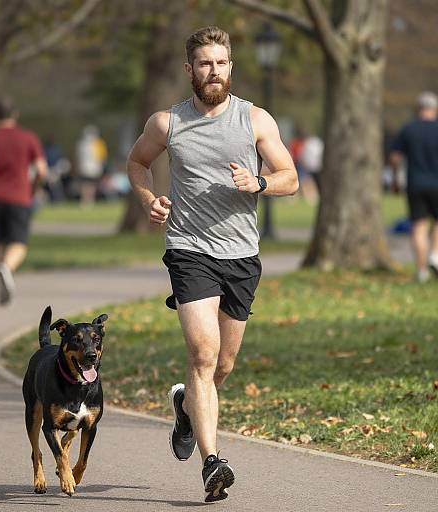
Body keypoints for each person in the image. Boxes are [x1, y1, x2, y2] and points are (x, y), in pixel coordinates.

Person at [126, 26, 298, 502]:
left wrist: (259, 183)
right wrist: (147, 201)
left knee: (223, 363)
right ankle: (211, 462)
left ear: (231, 67)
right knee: (202, 355)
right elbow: (137, 163)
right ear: (190, 70)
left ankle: (185, 407)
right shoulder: (167, 122)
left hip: (241, 254)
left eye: (221, 62)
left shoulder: (255, 120)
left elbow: (291, 177)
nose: (213, 71)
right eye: (204, 63)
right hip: (189, 249)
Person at [0, 98, 48, 305]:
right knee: (19, 243)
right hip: (19, 196)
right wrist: (34, 186)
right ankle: (6, 268)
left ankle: (1, 285)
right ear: (15, 114)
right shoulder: (28, 138)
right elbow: (41, 170)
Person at [390, 91, 438, 283]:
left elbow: (394, 158)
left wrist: (395, 178)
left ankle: (421, 271)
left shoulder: (408, 129)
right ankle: (435, 254)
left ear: (418, 108)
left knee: (418, 225)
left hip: (415, 183)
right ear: (435, 109)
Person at [76, 125, 108, 204]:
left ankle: (87, 199)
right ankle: (88, 199)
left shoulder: (96, 143)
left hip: (90, 167)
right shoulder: (96, 143)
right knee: (89, 184)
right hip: (90, 168)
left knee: (88, 184)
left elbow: (102, 157)